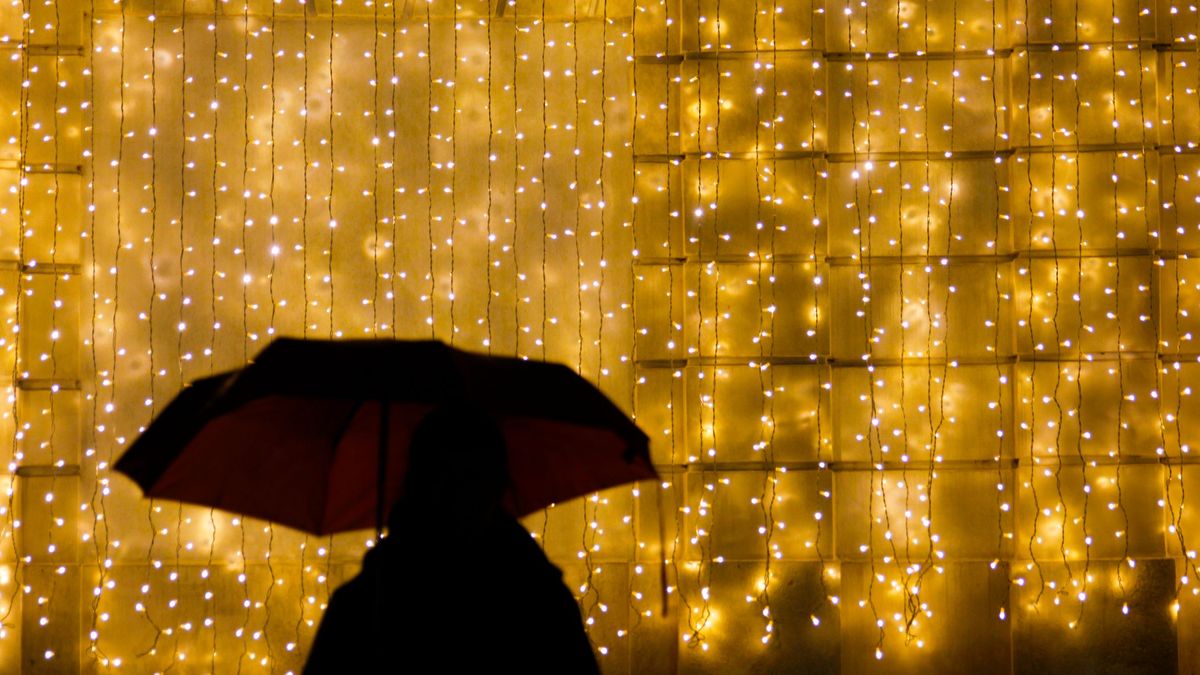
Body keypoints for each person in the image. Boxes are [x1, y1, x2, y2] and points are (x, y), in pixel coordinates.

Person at [303, 402, 601, 674]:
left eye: (469, 481)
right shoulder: (539, 599)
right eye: (451, 482)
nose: (459, 499)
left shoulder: (365, 601)